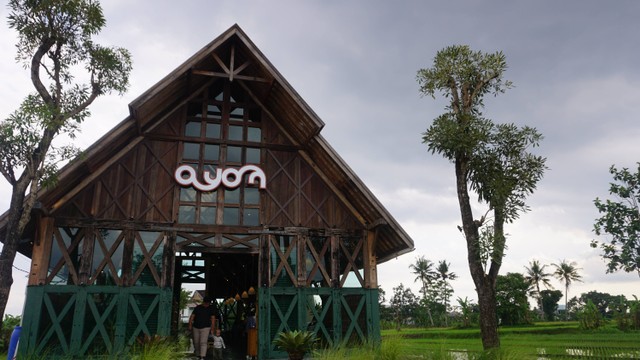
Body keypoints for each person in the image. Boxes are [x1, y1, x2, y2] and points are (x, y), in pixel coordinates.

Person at [189, 296, 217, 360]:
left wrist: (212, 328)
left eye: (208, 303)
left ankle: (202, 356)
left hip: (206, 327)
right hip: (196, 327)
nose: (207, 304)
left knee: (203, 342)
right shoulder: (197, 308)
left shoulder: (211, 309)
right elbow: (192, 316)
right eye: (206, 303)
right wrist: (190, 325)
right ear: (204, 302)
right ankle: (198, 354)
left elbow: (213, 319)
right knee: (196, 342)